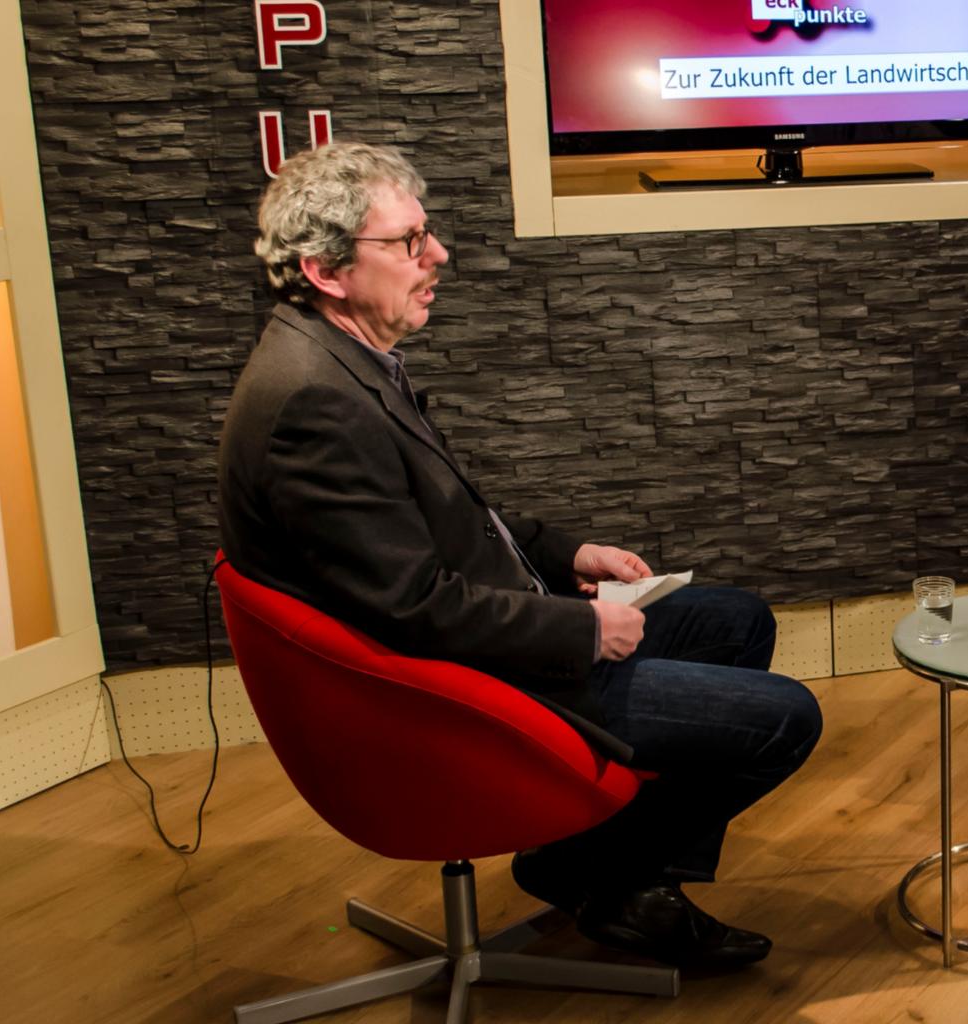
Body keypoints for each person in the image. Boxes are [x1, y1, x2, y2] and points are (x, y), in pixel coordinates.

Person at [218, 142, 822, 968]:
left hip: (481, 642)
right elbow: (412, 605)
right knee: (786, 719)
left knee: (734, 620)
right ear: (327, 270)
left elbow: (445, 518)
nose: (437, 257)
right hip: (459, 694)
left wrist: (569, 555)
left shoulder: (340, 360)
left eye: (427, 234)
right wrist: (578, 632)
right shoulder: (313, 404)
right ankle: (598, 872)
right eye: (407, 243)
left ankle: (627, 882)